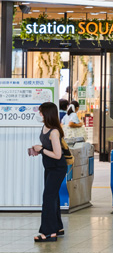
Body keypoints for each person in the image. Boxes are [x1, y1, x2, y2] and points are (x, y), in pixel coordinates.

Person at [30, 102, 68, 242]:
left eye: (41, 112)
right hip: (50, 167)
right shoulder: (45, 127)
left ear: (47, 113)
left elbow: (58, 155)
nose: (39, 114)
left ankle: (48, 232)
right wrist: (38, 150)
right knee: (53, 197)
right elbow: (47, 148)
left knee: (48, 198)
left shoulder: (54, 131)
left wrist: (42, 150)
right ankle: (57, 227)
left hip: (57, 168)